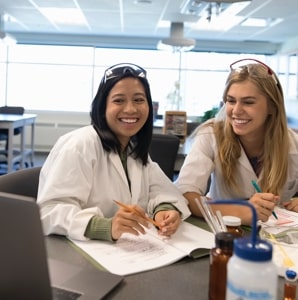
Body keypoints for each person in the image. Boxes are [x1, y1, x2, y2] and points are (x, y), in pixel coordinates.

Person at [37, 63, 190, 242]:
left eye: (139, 100)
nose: (131, 109)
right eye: (119, 100)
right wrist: (105, 226)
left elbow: (159, 189)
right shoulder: (79, 145)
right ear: (103, 107)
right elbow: (50, 211)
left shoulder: (132, 148)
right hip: (78, 256)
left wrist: (164, 209)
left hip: (127, 253)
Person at [176, 58, 298, 225]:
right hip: (223, 232)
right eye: (231, 101)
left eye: (248, 102)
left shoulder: (293, 145)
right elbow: (185, 195)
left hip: (278, 238)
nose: (236, 111)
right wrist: (242, 211)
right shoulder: (210, 135)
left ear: (272, 106)